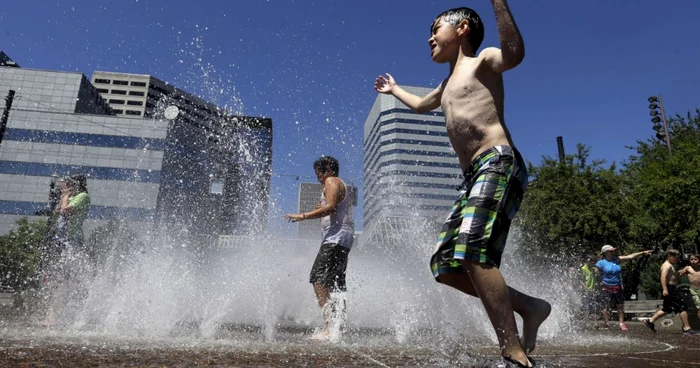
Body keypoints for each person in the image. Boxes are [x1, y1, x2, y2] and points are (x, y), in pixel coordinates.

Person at [374, 3, 550, 367]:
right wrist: (394, 91)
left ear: (463, 29)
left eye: (436, 28)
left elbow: (514, 54)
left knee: (472, 251)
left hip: (497, 161)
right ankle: (530, 306)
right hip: (472, 177)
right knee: (445, 266)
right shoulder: (445, 83)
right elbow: (422, 105)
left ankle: (512, 348)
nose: (429, 37)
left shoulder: (481, 61)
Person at [284, 156, 354, 341]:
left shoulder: (332, 181)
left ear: (328, 170)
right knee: (336, 283)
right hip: (342, 239)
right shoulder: (336, 184)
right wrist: (321, 206)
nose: (319, 179)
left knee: (318, 278)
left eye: (319, 175)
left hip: (336, 238)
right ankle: (339, 327)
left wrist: (303, 215)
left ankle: (330, 328)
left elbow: (330, 208)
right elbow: (330, 207)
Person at [595, 245, 653, 331]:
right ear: (605, 253)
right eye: (611, 251)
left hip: (617, 285)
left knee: (620, 305)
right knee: (605, 306)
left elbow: (630, 257)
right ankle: (606, 323)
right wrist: (599, 282)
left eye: (613, 251)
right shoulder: (600, 263)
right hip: (606, 286)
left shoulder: (617, 259)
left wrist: (643, 252)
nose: (613, 252)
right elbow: (596, 274)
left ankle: (621, 323)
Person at [643, 249, 693, 334]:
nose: (677, 260)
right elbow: (663, 277)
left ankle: (650, 321)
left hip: (671, 288)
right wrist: (665, 289)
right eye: (675, 258)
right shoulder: (667, 265)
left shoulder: (670, 265)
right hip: (670, 288)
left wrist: (678, 274)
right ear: (669, 256)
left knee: (667, 308)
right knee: (682, 306)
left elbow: (671, 277)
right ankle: (686, 328)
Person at [679, 253, 700, 326]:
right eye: (691, 259)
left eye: (695, 259)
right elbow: (681, 273)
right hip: (694, 290)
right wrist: (680, 273)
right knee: (699, 308)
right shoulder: (688, 268)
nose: (693, 261)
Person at [580, 255, 601, 328]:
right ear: (588, 261)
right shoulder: (583, 269)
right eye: (592, 262)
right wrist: (586, 288)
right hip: (585, 291)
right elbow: (580, 280)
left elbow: (597, 270)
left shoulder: (592, 269)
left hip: (593, 291)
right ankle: (587, 323)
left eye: (593, 263)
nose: (593, 264)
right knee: (586, 308)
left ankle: (596, 324)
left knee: (595, 308)